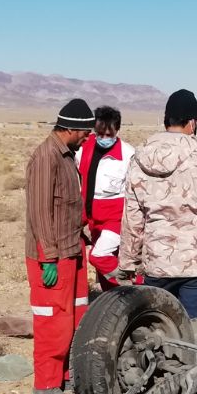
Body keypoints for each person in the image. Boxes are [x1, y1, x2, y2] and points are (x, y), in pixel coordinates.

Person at [118, 89, 197, 318]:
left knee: (161, 327)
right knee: (195, 331)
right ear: (193, 122)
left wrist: (127, 262)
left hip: (157, 263)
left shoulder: (139, 159)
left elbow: (132, 218)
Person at [25, 97, 94, 394]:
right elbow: (40, 211)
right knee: (53, 319)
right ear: (71, 129)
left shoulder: (67, 155)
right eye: (85, 132)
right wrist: (48, 257)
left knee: (76, 316)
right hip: (52, 256)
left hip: (72, 250)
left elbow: (65, 206)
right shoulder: (46, 158)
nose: (87, 138)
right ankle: (45, 385)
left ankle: (66, 374)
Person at [76, 105, 132, 290]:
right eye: (100, 133)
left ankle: (135, 288)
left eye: (109, 135)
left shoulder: (128, 154)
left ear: (117, 130)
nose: (103, 138)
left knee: (99, 256)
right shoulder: (84, 147)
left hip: (115, 220)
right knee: (104, 268)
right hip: (92, 219)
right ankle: (113, 299)